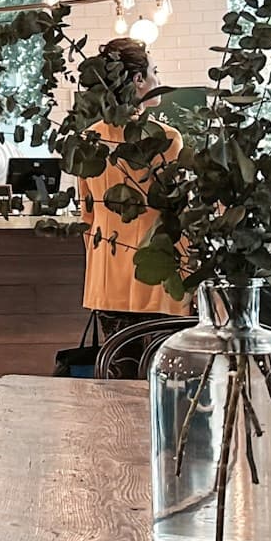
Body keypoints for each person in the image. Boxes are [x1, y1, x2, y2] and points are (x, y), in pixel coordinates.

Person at [79, 37, 188, 330]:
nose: (158, 78)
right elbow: (177, 213)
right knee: (162, 373)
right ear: (139, 79)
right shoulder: (166, 139)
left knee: (115, 371)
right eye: (155, 71)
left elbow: (87, 216)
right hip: (157, 279)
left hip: (106, 279)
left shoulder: (87, 140)